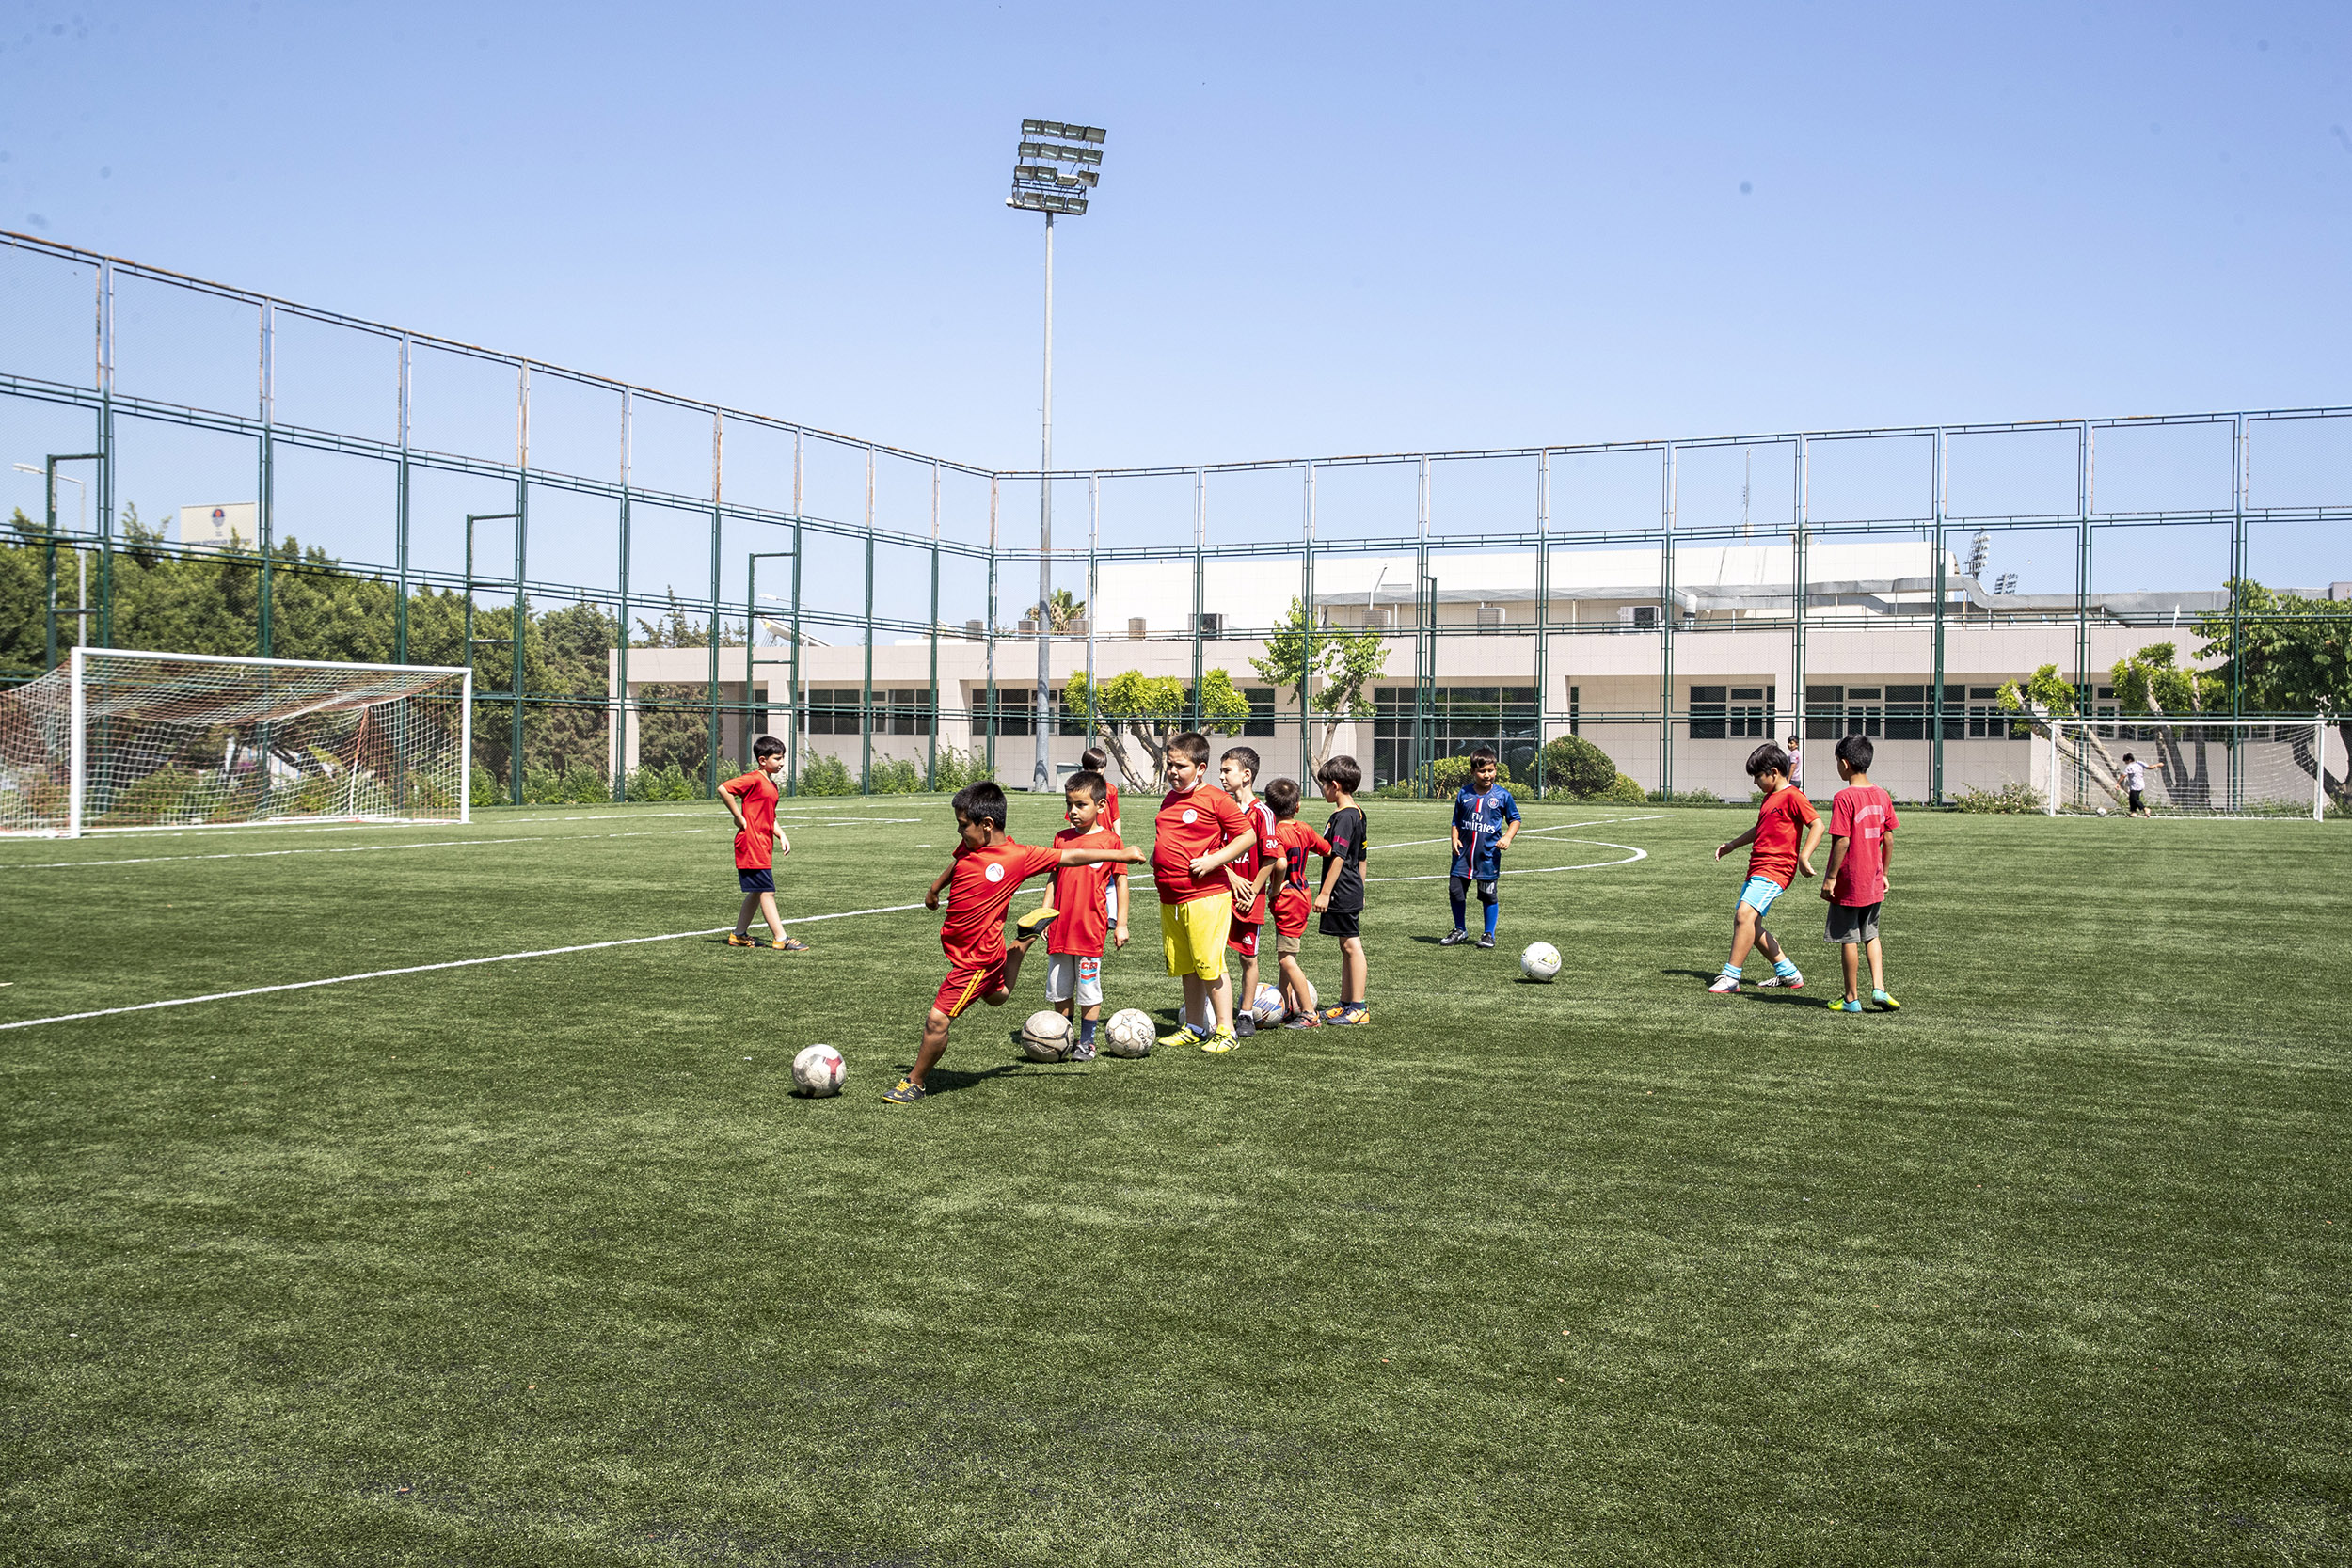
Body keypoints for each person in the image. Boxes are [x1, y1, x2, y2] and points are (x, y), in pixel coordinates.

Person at [883, 782, 1143, 1105]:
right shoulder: (970, 845)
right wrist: (934, 889)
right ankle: (1023, 941)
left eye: (963, 825)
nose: (960, 831)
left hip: (976, 959)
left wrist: (1121, 854)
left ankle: (915, 1082)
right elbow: (957, 862)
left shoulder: (1018, 857)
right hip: (964, 949)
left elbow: (1072, 855)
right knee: (997, 996)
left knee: (937, 1020)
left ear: (987, 824)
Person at [1151, 732, 1256, 1053]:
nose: (1172, 771)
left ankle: (1226, 1030)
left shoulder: (1216, 799)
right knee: (1187, 965)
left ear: (1200, 768)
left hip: (1206, 895)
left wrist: (1214, 860)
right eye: (1169, 764)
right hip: (1171, 897)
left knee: (1209, 962)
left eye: (1180, 766)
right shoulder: (1170, 798)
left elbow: (1247, 836)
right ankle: (1195, 1027)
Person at [1708, 741, 1823, 994]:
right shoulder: (1770, 798)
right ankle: (1788, 973)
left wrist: (1804, 857)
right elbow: (1760, 828)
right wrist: (1733, 845)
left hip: (1776, 869)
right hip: (1758, 868)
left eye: (1757, 776)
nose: (1755, 782)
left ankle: (1731, 977)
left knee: (1744, 916)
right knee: (1751, 924)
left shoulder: (1793, 795)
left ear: (1773, 772)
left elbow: (1817, 824)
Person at [1044, 769, 1130, 1060]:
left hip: (1090, 928)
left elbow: (1121, 883)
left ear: (1101, 806)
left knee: (1088, 987)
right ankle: (1064, 1038)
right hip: (1060, 927)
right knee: (1060, 987)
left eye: (1081, 805)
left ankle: (1087, 1042)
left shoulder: (1111, 842)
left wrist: (1121, 924)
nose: (1073, 811)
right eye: (1069, 804)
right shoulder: (1061, 838)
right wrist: (1045, 913)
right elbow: (1053, 878)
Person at [1819, 735, 1900, 1013]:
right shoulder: (1882, 795)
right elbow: (1888, 838)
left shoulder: (1843, 798)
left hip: (1850, 881)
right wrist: (1884, 872)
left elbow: (1842, 840)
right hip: (1874, 879)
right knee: (1872, 934)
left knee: (1849, 938)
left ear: (1844, 763)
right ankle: (1879, 988)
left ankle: (1851, 998)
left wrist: (1831, 877)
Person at [720, 736, 808, 951]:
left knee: (758, 891)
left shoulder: (771, 784)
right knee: (767, 891)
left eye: (782, 758)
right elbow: (724, 789)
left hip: (763, 843)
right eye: (777, 758)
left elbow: (770, 816)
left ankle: (738, 935)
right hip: (751, 843)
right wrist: (739, 817)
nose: (781, 763)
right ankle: (780, 938)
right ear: (762, 760)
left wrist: (781, 835)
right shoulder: (754, 779)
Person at [1219, 744, 1282, 1037]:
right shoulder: (1222, 809)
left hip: (1249, 899)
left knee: (1248, 957)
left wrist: (1253, 891)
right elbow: (1212, 851)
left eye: (1226, 771)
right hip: (1220, 892)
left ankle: (1245, 1013)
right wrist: (1230, 876)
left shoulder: (1263, 813)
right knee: (1213, 954)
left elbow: (1271, 858)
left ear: (1246, 775)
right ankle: (1213, 1008)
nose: (1222, 776)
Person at [1263, 776, 1331, 1028]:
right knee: (1286, 954)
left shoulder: (1275, 833)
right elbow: (1327, 849)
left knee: (1286, 960)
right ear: (1298, 806)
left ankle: (1309, 1012)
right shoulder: (1304, 829)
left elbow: (1280, 863)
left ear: (1269, 809)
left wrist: (1275, 887)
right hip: (1303, 895)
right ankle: (1284, 1004)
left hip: (1288, 899)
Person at [1440, 746, 1520, 949]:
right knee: (1456, 891)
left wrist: (1508, 837)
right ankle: (1460, 929)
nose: (1487, 775)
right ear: (1473, 772)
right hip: (1462, 856)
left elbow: (1515, 819)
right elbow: (1456, 820)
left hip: (1487, 857)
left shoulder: (1502, 796)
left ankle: (1488, 934)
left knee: (1488, 895)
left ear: (1495, 770)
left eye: (1490, 770)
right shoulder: (1464, 793)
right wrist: (1454, 838)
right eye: (1482, 771)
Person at [1311, 754, 1371, 1025]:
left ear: (1334, 785)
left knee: (1351, 945)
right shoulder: (1356, 812)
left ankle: (1358, 1007)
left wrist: (1325, 893)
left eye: (1323, 785)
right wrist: (1362, 889)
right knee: (1345, 945)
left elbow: (1339, 856)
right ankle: (1346, 1002)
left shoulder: (1345, 816)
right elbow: (1362, 857)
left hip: (1342, 888)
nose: (1322, 790)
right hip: (1350, 887)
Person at [1082, 744, 1120, 832]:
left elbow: (1115, 817)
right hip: (1086, 836)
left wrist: (1118, 837)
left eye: (1102, 767)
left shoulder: (1111, 790)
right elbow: (1074, 816)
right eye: (1095, 768)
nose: (1099, 771)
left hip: (1106, 836)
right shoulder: (1079, 790)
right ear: (1086, 768)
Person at [2120, 752, 2163, 817]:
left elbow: (2123, 775)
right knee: (2132, 799)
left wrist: (2117, 783)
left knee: (2134, 799)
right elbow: (2150, 767)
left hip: (2135, 785)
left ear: (2129, 760)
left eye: (2125, 761)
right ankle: (2133, 813)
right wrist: (2157, 765)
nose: (2125, 762)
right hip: (2141, 784)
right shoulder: (2139, 763)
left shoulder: (2129, 767)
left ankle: (2145, 809)